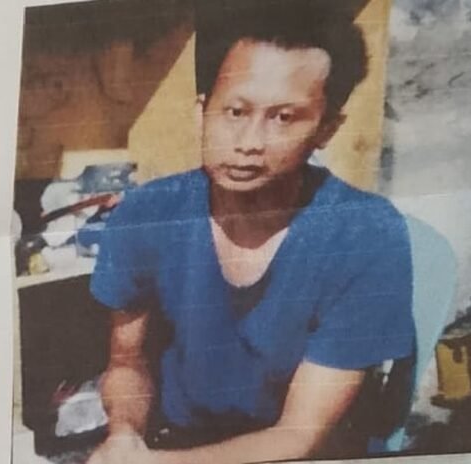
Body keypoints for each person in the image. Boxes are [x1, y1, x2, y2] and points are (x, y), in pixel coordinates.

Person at [87, 3, 415, 463]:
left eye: (284, 118)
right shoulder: (147, 212)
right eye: (235, 112)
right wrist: (124, 435)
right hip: (180, 441)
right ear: (202, 111)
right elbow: (126, 362)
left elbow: (300, 437)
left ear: (326, 129)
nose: (248, 143)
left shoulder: (366, 234)